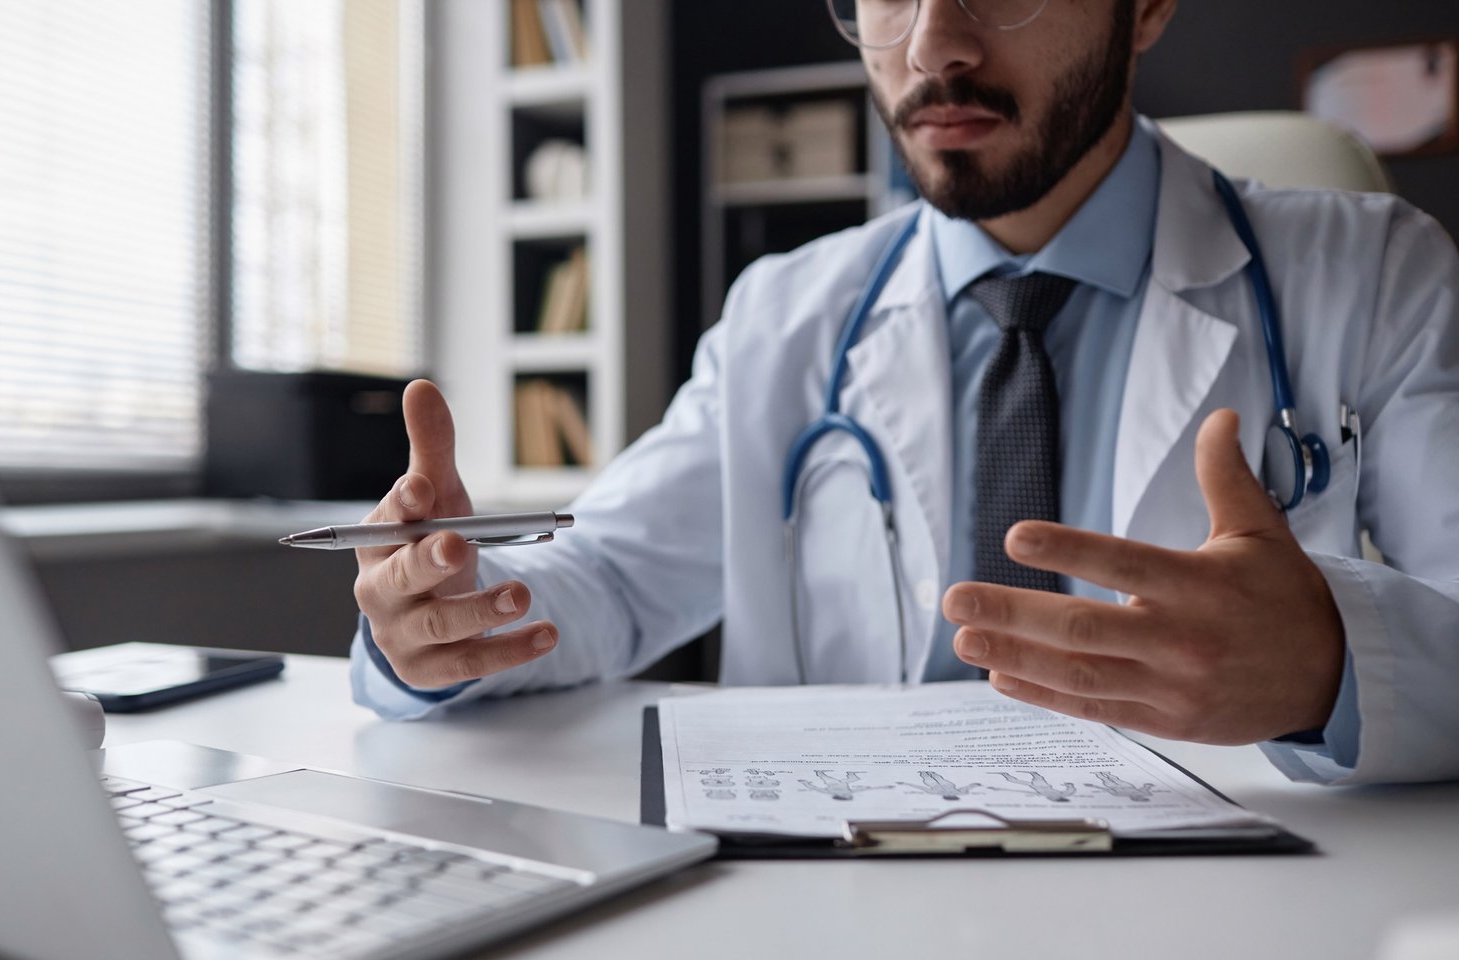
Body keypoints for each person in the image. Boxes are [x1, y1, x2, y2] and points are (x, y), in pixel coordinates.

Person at [350, 0, 1459, 787]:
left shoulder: (1373, 275)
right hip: (845, 917)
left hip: (1224, 935)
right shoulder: (784, 311)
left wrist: (1332, 665)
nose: (933, 41)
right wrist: (456, 608)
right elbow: (609, 573)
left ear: (1148, 6)